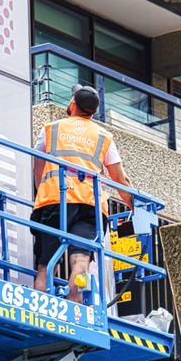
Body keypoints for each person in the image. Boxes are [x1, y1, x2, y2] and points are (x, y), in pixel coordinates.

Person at [31, 84, 134, 305]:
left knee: (46, 263)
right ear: (93, 112)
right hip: (90, 205)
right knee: (80, 261)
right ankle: (76, 304)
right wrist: (135, 206)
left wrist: (42, 194)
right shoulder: (104, 137)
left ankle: (39, 304)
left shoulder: (52, 128)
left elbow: (37, 166)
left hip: (54, 202)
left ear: (73, 104)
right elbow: (119, 178)